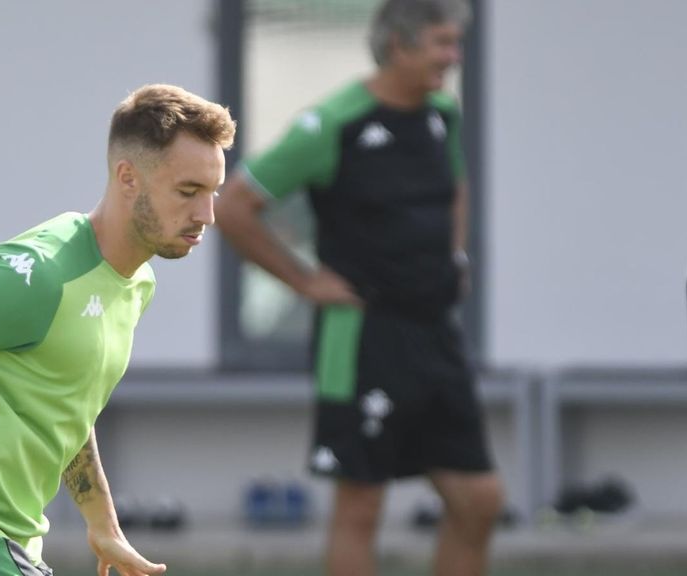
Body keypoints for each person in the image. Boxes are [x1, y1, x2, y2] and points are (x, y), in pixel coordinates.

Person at [0, 84, 235, 576]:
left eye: (213, 192)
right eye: (188, 192)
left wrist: (103, 525)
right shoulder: (34, 275)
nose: (207, 215)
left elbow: (64, 400)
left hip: (5, 540)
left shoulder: (137, 284)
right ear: (128, 178)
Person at [214, 1, 502, 575]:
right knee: (362, 506)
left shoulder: (442, 115)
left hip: (436, 334)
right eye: (442, 44)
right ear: (400, 45)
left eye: (456, 44)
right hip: (363, 336)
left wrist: (456, 254)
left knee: (479, 501)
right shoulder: (332, 124)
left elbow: (457, 184)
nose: (453, 58)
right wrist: (303, 280)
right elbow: (235, 206)